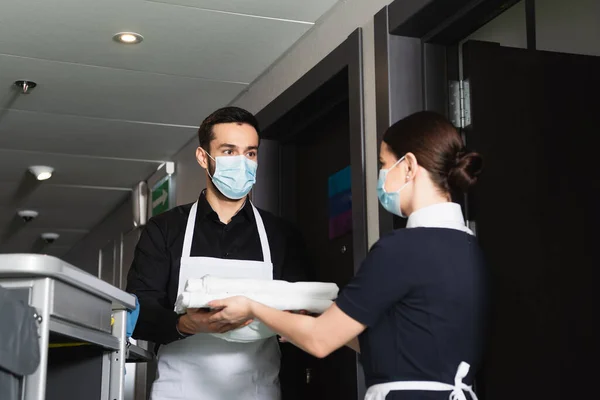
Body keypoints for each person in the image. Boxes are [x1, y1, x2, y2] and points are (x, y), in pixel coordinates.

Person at [208, 111, 489, 400]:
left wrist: (251, 307)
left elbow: (320, 340)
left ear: (408, 167)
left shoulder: (402, 248)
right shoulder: (468, 248)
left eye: (383, 164)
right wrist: (313, 318)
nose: (380, 175)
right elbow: (402, 345)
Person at [126, 106, 313, 400]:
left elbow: (303, 309)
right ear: (204, 157)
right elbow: (138, 311)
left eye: (250, 153)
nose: (242, 162)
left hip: (258, 390)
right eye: (229, 152)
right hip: (179, 391)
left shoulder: (281, 234)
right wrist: (186, 324)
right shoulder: (165, 229)